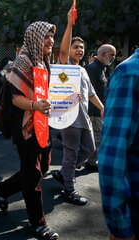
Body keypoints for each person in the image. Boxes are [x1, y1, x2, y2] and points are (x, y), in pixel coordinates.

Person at [0, 21, 58, 240]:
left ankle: (2, 189)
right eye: (46, 36)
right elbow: (15, 98)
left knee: (43, 167)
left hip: (42, 124)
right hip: (26, 128)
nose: (50, 41)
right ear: (35, 37)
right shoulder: (21, 63)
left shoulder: (43, 61)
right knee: (32, 177)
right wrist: (35, 106)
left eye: (52, 37)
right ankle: (38, 223)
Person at [51, 7, 104, 205]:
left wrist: (101, 108)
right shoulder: (64, 65)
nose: (79, 50)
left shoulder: (82, 70)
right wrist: (69, 24)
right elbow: (63, 49)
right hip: (68, 118)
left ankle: (65, 172)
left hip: (84, 118)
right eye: (76, 47)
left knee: (89, 149)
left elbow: (91, 93)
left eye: (81, 47)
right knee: (71, 154)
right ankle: (69, 188)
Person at [98, 48, 139, 240]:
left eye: (115, 55)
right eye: (110, 54)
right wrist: (120, 229)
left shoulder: (109, 70)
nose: (113, 57)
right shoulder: (129, 73)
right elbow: (112, 160)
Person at [84, 44, 116, 171]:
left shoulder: (103, 68)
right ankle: (91, 162)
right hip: (95, 112)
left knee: (98, 138)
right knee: (97, 138)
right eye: (112, 54)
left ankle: (92, 161)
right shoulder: (92, 68)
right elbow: (90, 92)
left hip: (101, 110)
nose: (114, 57)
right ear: (103, 54)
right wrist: (90, 114)